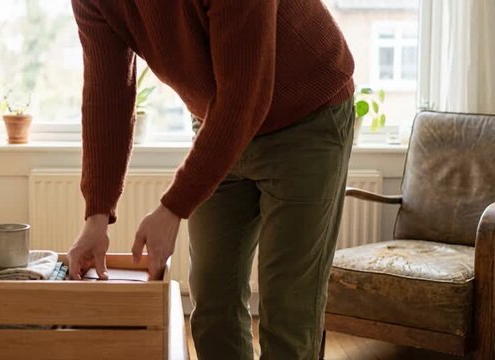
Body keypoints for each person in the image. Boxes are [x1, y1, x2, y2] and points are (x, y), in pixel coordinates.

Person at [67, 1, 355, 359]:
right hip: (217, 124)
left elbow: (246, 95)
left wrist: (173, 207)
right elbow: (106, 91)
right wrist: (96, 215)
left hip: (306, 119)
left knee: (289, 314)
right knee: (213, 307)